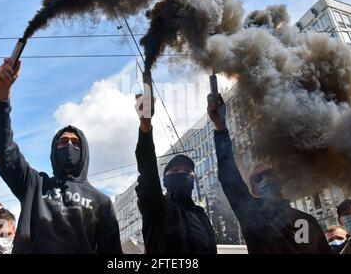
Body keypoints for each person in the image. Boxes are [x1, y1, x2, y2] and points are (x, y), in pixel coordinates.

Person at [0, 58, 122, 254]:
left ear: (84, 153)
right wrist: (2, 95)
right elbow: (1, 148)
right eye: (63, 142)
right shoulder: (34, 184)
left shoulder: (101, 202)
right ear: (53, 150)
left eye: (75, 143)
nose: (69, 145)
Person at [208, 93, 331, 254]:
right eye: (258, 178)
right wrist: (220, 127)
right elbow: (228, 176)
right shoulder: (252, 214)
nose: (265, 180)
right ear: (253, 189)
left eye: (270, 174)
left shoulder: (305, 220)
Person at [134, 93, 217, 254]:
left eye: (187, 171)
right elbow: (147, 171)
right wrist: (145, 127)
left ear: (194, 179)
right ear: (164, 180)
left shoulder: (201, 216)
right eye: (175, 170)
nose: (182, 172)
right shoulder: (157, 207)